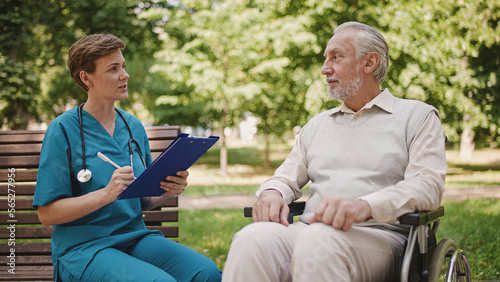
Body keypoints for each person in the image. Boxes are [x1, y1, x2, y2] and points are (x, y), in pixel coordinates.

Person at [222, 21, 447, 282]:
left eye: (336, 57)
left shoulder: (418, 116)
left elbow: (428, 186)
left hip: (381, 236)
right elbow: (283, 178)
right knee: (252, 239)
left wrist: (363, 206)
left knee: (319, 242)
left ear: (369, 63)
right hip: (311, 230)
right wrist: (272, 194)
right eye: (326, 58)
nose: (324, 68)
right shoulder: (317, 125)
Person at [33, 34, 222, 282]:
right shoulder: (63, 130)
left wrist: (167, 189)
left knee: (207, 273)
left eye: (123, 66)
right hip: (84, 248)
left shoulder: (132, 126)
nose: (125, 75)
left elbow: (142, 200)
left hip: (134, 238)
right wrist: (104, 194)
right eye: (114, 69)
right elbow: (47, 214)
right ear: (85, 77)